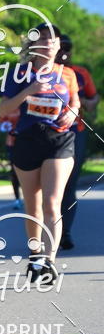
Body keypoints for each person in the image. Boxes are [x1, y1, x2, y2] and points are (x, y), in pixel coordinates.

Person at [0, 22, 80, 285]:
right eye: (42, 38)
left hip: (59, 140)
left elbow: (75, 101)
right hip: (27, 140)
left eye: (52, 39)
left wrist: (73, 112)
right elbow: (4, 109)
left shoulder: (67, 74)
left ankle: (49, 261)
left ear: (58, 46)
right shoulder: (18, 73)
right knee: (33, 207)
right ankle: (35, 256)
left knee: (52, 202)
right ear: (33, 44)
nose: (48, 43)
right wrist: (28, 91)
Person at [57, 34, 100, 249]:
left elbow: (94, 98)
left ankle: (65, 233)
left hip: (75, 132)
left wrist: (84, 102)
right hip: (42, 133)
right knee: (45, 187)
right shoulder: (38, 72)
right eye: (60, 47)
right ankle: (44, 232)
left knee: (69, 184)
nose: (64, 52)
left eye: (67, 48)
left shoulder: (80, 74)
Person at [0, 109, 22, 209]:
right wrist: (7, 125)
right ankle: (17, 199)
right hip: (12, 144)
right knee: (14, 172)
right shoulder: (9, 107)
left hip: (31, 143)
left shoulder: (31, 103)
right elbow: (2, 125)